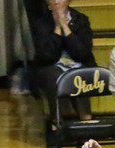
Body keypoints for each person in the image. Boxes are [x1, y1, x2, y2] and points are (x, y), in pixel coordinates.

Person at [27, 0, 95, 132]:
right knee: (53, 77)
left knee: (81, 75)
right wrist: (57, 29)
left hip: (78, 64)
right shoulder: (41, 23)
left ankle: (86, 124)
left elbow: (82, 53)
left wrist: (66, 28)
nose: (57, 1)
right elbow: (47, 55)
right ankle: (56, 123)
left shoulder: (81, 20)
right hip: (51, 66)